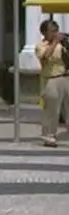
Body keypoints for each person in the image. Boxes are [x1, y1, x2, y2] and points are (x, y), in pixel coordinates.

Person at [36, 19, 66, 148]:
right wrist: (54, 42)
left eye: (56, 31)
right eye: (52, 31)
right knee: (52, 109)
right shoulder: (41, 46)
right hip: (51, 79)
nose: (55, 34)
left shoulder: (62, 45)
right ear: (44, 32)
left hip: (65, 76)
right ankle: (49, 135)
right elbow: (45, 57)